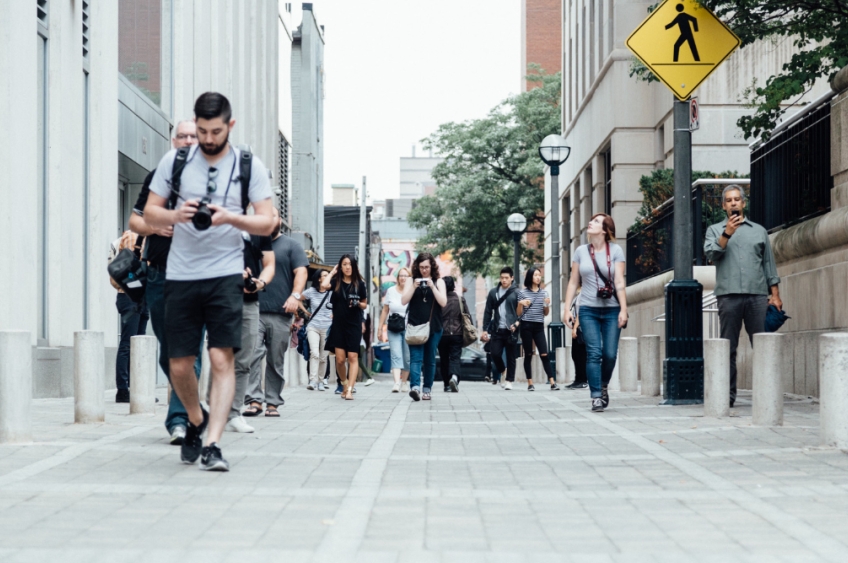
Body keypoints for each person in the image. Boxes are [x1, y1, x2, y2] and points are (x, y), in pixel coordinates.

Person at [143, 92, 277, 471]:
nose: (207, 138)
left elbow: (268, 221)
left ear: (229, 126)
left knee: (221, 358)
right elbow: (149, 211)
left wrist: (230, 218)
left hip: (224, 274)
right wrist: (175, 214)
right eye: (201, 131)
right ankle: (196, 420)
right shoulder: (177, 160)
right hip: (181, 274)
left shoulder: (249, 165)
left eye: (215, 131)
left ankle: (213, 443)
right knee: (180, 365)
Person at [129, 120, 202, 444]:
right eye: (182, 136)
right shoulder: (158, 178)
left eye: (193, 136)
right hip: (159, 273)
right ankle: (188, 405)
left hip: (198, 275)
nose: (187, 141)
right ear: (174, 141)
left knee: (190, 351)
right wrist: (154, 227)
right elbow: (134, 220)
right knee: (169, 351)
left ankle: (179, 419)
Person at [704, 185, 782, 408]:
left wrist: (774, 294)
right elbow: (711, 254)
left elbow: (769, 264)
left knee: (763, 345)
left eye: (737, 199)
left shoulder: (759, 231)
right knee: (728, 347)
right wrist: (727, 233)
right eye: (729, 200)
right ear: (723, 205)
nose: (733, 203)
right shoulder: (714, 230)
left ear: (744, 203)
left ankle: (767, 393)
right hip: (728, 297)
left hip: (757, 295)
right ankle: (727, 396)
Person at [564, 213, 628, 413]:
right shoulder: (581, 251)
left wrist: (624, 309)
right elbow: (574, 282)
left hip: (611, 310)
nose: (590, 222)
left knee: (609, 354)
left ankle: (603, 385)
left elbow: (619, 282)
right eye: (591, 219)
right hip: (588, 309)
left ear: (605, 230)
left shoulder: (616, 250)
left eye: (597, 221)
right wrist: (566, 309)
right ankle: (596, 397)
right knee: (594, 353)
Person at [245, 216, 309, 416]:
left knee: (276, 359)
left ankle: (272, 402)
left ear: (279, 220)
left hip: (282, 312)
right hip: (253, 308)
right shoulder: (251, 243)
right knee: (252, 355)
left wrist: (295, 296)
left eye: (273, 216)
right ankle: (254, 400)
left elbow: (301, 272)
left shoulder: (291, 245)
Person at [225, 231, 274, 433]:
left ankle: (234, 415)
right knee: (221, 358)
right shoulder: (215, 220)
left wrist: (258, 283)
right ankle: (215, 412)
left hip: (249, 302)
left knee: (244, 361)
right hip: (220, 298)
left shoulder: (258, 228)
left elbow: (270, 264)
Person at [108, 230, 150, 403]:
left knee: (138, 346)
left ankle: (136, 389)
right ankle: (123, 391)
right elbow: (131, 269)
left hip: (140, 297)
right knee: (128, 344)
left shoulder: (149, 237)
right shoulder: (135, 236)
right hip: (130, 296)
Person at [401, 252, 447, 401]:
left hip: (434, 327)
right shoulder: (411, 280)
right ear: (417, 267)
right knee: (415, 358)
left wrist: (433, 287)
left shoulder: (439, 282)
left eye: (427, 267)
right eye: (421, 267)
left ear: (432, 267)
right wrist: (413, 287)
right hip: (414, 326)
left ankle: (427, 389)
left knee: (429, 359)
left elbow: (443, 302)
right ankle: (415, 387)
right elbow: (403, 301)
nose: (424, 270)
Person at [322, 254, 368, 400]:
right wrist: (332, 272)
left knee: (353, 356)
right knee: (340, 360)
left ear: (354, 266)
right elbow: (323, 286)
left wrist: (357, 304)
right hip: (338, 325)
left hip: (354, 324)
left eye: (350, 264)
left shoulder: (359, 284)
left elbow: (364, 304)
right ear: (340, 266)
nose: (348, 267)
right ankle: (344, 383)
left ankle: (350, 390)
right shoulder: (336, 282)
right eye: (344, 264)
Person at [517, 267, 560, 391]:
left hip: (538, 326)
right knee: (528, 354)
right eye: (535, 275)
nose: (538, 277)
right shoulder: (522, 293)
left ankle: (552, 381)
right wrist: (521, 304)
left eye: (539, 275)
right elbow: (519, 313)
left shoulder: (544, 293)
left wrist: (546, 304)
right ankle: (530, 382)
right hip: (526, 326)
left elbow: (546, 313)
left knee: (544, 353)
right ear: (530, 277)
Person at [481, 267, 519, 390]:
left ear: (512, 278)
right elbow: (488, 312)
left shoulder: (517, 292)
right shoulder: (493, 292)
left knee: (511, 356)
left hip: (511, 329)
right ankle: (503, 371)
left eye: (506, 278)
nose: (504, 280)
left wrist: (517, 324)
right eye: (502, 278)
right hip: (497, 329)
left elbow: (522, 312)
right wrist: (485, 329)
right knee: (495, 353)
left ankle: (509, 380)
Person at [379, 268, 411, 393]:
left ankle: (404, 383)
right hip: (393, 327)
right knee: (396, 354)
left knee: (407, 357)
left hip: (409, 328)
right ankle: (396, 383)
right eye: (401, 275)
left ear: (410, 278)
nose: (403, 278)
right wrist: (380, 328)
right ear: (397, 278)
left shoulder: (412, 291)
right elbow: (385, 310)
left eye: (406, 276)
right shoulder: (391, 291)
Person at [300, 270, 333, 391]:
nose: (327, 277)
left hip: (327, 328)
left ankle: (320, 380)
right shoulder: (311, 291)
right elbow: (298, 297)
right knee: (315, 353)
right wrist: (305, 311)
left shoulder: (332, 293)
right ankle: (313, 380)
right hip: (313, 326)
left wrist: (335, 314)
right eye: (324, 275)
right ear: (319, 279)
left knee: (324, 357)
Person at [438, 276, 469, 393]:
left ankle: (446, 384)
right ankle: (454, 377)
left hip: (442, 334)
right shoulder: (460, 300)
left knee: (444, 359)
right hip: (457, 333)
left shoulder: (440, 300)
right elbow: (467, 316)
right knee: (455, 357)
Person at [566, 292, 588, 389]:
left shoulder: (586, 293)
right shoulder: (579, 293)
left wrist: (575, 327)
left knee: (581, 355)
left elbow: (582, 311)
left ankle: (583, 380)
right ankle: (578, 379)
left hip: (582, 327)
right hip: (578, 326)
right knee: (575, 354)